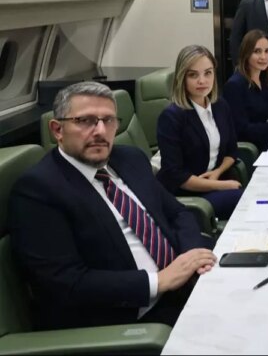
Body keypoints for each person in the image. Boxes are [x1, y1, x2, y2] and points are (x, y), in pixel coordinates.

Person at [8, 82, 216, 330]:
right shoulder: (38, 190)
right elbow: (65, 282)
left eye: (108, 120)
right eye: (85, 121)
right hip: (131, 320)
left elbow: (177, 212)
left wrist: (192, 256)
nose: (100, 131)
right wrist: (158, 281)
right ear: (57, 130)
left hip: (185, 284)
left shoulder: (130, 159)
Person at [156, 45, 243, 221]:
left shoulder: (220, 106)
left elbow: (232, 150)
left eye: (208, 73)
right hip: (186, 195)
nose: (202, 81)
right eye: (193, 75)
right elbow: (176, 176)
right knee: (246, 200)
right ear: (182, 78)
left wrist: (217, 172)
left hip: (215, 183)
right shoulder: (171, 117)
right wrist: (221, 185)